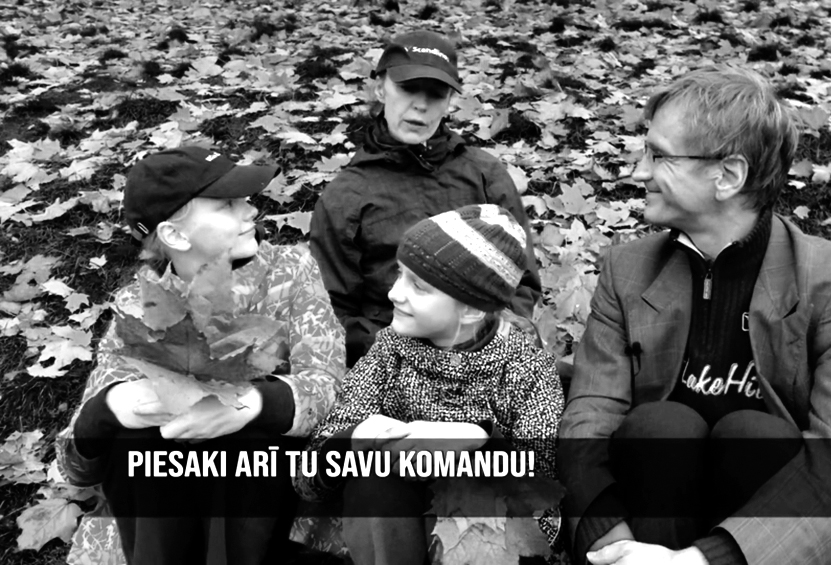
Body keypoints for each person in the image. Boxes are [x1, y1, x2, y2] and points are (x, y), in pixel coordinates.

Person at [557, 66, 831, 565]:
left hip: (772, 543)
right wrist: (613, 546)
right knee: (660, 426)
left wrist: (705, 560)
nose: (639, 172)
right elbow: (587, 425)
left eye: (659, 156)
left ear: (729, 175)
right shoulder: (627, 271)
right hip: (646, 525)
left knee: (755, 435)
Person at [56, 146, 346, 565]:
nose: (251, 211)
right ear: (174, 235)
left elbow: (330, 386)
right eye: (228, 204)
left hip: (259, 499)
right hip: (161, 511)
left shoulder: (290, 272)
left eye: (245, 199)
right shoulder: (138, 307)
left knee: (250, 440)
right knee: (136, 439)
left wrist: (252, 405)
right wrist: (109, 408)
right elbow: (77, 467)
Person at [295, 204, 563, 565]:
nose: (394, 293)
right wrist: (351, 440)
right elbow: (307, 477)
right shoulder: (390, 352)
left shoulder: (526, 371)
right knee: (375, 478)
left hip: (478, 542)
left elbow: (543, 506)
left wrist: (479, 441)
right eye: (399, 274)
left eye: (418, 287)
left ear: (472, 309)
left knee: (478, 503)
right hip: (385, 533)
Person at [310, 29, 542, 369]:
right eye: (407, 88)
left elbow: (522, 282)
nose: (420, 105)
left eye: (436, 93)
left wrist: (486, 339)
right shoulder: (345, 197)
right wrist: (406, 353)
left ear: (449, 102)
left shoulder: (485, 174)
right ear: (380, 88)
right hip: (392, 365)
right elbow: (332, 311)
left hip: (488, 358)